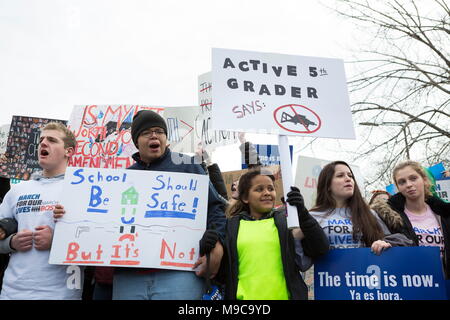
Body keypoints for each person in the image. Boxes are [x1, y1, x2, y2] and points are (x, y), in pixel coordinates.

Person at [55, 110, 226, 300]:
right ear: (137, 141)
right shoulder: (124, 177)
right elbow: (100, 218)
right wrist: (68, 214)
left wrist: (218, 243)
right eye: (146, 132)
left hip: (179, 272)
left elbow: (215, 207)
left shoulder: (188, 165)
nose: (154, 135)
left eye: (159, 131)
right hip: (130, 277)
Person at [0, 122, 82, 299]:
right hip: (12, 292)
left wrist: (57, 241)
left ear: (69, 151)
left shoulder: (82, 189)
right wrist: (11, 242)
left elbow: (99, 240)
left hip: (62, 293)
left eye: (52, 140)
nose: (43, 143)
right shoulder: (17, 190)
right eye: (42, 140)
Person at [220, 168, 329, 300]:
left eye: (270, 189)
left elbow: (320, 247)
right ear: (245, 197)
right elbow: (222, 270)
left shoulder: (287, 222)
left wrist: (303, 214)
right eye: (259, 189)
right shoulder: (231, 226)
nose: (267, 193)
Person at [309, 161, 413, 253]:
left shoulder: (370, 214)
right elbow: (303, 262)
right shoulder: (313, 216)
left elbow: (393, 240)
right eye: (340, 175)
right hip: (329, 274)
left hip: (364, 273)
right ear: (327, 185)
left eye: (350, 176)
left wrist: (385, 243)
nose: (348, 179)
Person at [388, 161, 450, 278]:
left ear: (424, 180)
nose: (408, 184)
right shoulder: (391, 217)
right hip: (412, 284)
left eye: (413, 178)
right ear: (398, 187)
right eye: (402, 182)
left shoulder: (444, 213)